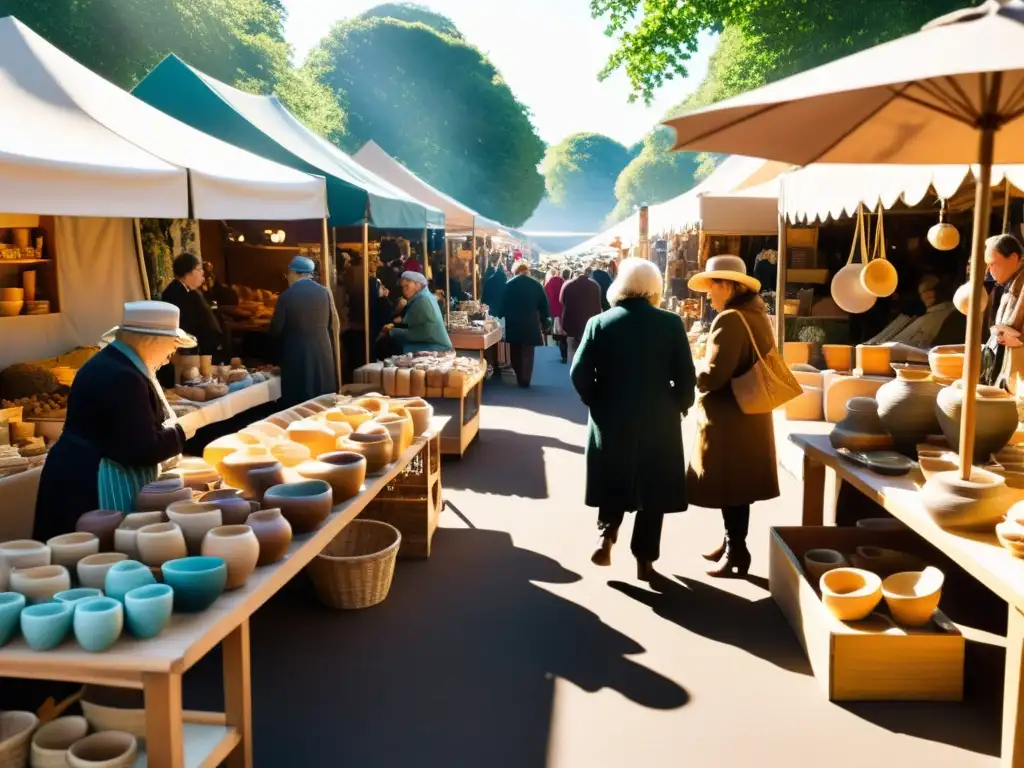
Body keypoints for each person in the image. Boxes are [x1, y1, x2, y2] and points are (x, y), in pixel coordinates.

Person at [570, 259, 695, 582]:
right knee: (653, 485)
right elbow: (685, 375)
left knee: (615, 472)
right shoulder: (670, 323)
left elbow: (579, 372)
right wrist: (680, 405)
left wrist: (595, 399)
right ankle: (645, 559)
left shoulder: (599, 323)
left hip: (611, 412)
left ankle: (607, 532)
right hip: (659, 415)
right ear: (655, 288)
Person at [34, 301, 196, 541]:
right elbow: (141, 449)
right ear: (151, 341)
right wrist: (182, 433)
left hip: (74, 472)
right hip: (90, 482)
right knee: (89, 558)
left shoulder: (109, 363)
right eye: (172, 345)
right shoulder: (124, 377)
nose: (172, 354)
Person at [686, 255, 780, 577]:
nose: (708, 296)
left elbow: (714, 375)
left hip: (731, 417)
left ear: (726, 285)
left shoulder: (730, 318)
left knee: (732, 485)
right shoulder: (757, 313)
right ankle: (731, 543)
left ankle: (737, 551)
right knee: (739, 486)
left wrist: (694, 371)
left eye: (711, 288)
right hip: (751, 413)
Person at [270, 255, 337, 407]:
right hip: (323, 350)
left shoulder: (286, 296)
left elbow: (276, 329)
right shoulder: (324, 292)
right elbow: (330, 322)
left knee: (299, 401)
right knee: (322, 397)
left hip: (297, 352)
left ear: (293, 272)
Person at [159, 253, 224, 359]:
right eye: (198, 269)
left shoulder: (189, 291)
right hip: (186, 354)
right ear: (188, 272)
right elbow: (188, 326)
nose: (202, 273)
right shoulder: (175, 293)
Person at [983, 234, 1024, 390]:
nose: (989, 270)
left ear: (1013, 258)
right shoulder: (1008, 285)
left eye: (993, 263)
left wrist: (1020, 341)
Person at [502, 261, 551, 387]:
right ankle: (526, 378)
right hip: (530, 323)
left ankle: (519, 375)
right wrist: (545, 320)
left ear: (515, 271)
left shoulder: (509, 284)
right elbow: (544, 306)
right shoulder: (536, 285)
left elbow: (502, 304)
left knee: (515, 350)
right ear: (527, 271)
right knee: (528, 352)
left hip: (513, 323)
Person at [383, 271, 452, 353]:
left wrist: (394, 332)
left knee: (391, 344)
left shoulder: (423, 300)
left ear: (418, 285)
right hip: (432, 343)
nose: (404, 290)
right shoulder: (424, 297)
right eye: (402, 287)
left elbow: (425, 332)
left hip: (437, 347)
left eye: (407, 286)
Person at [561, 267, 603, 367]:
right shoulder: (595, 285)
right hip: (589, 322)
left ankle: (573, 367)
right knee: (588, 348)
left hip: (571, 322)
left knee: (572, 348)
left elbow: (562, 301)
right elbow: (598, 303)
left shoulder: (569, 285)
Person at [545, 268, 569, 363]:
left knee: (552, 332)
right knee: (563, 334)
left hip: (552, 311)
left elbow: (547, 299)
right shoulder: (563, 283)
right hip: (563, 311)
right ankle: (564, 353)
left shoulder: (548, 284)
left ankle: (552, 351)